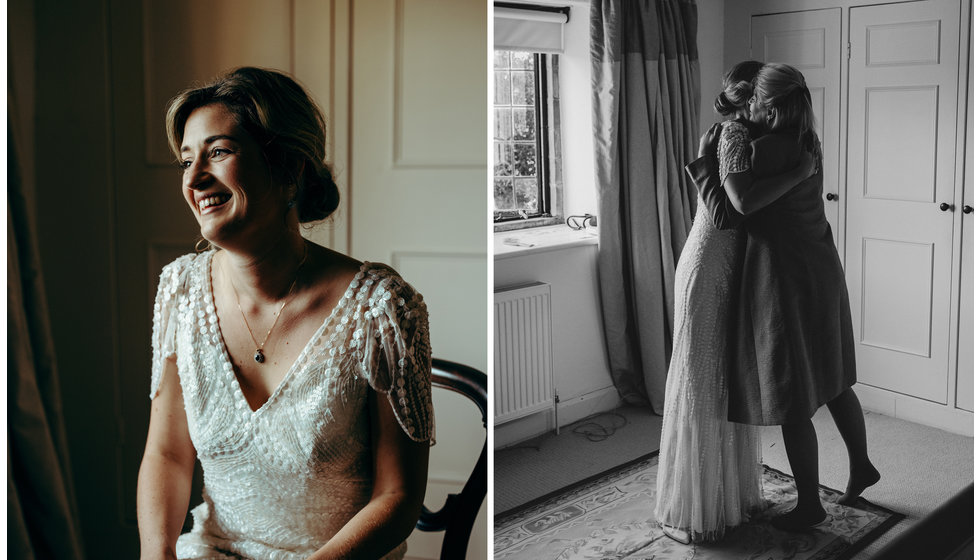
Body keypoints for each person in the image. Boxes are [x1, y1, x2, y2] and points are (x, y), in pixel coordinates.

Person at [136, 67, 434, 560]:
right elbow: (167, 454)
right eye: (186, 160)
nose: (193, 179)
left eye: (219, 152)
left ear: (289, 166)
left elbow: (397, 497)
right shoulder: (181, 290)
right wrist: (156, 554)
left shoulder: (380, 308)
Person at [691, 62, 880, 532]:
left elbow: (737, 209)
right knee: (834, 379)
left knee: (791, 394)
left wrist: (703, 163)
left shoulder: (760, 148)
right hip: (820, 264)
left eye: (755, 99)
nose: (748, 106)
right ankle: (862, 464)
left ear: (769, 106)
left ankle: (810, 505)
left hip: (783, 276)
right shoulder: (806, 142)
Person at [653, 61, 813, 544]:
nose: (770, 109)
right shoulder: (734, 137)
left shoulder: (755, 139)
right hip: (708, 266)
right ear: (748, 101)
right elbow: (731, 213)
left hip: (731, 268)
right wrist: (802, 173)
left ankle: (728, 496)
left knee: (727, 381)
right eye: (763, 100)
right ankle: (693, 509)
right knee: (701, 381)